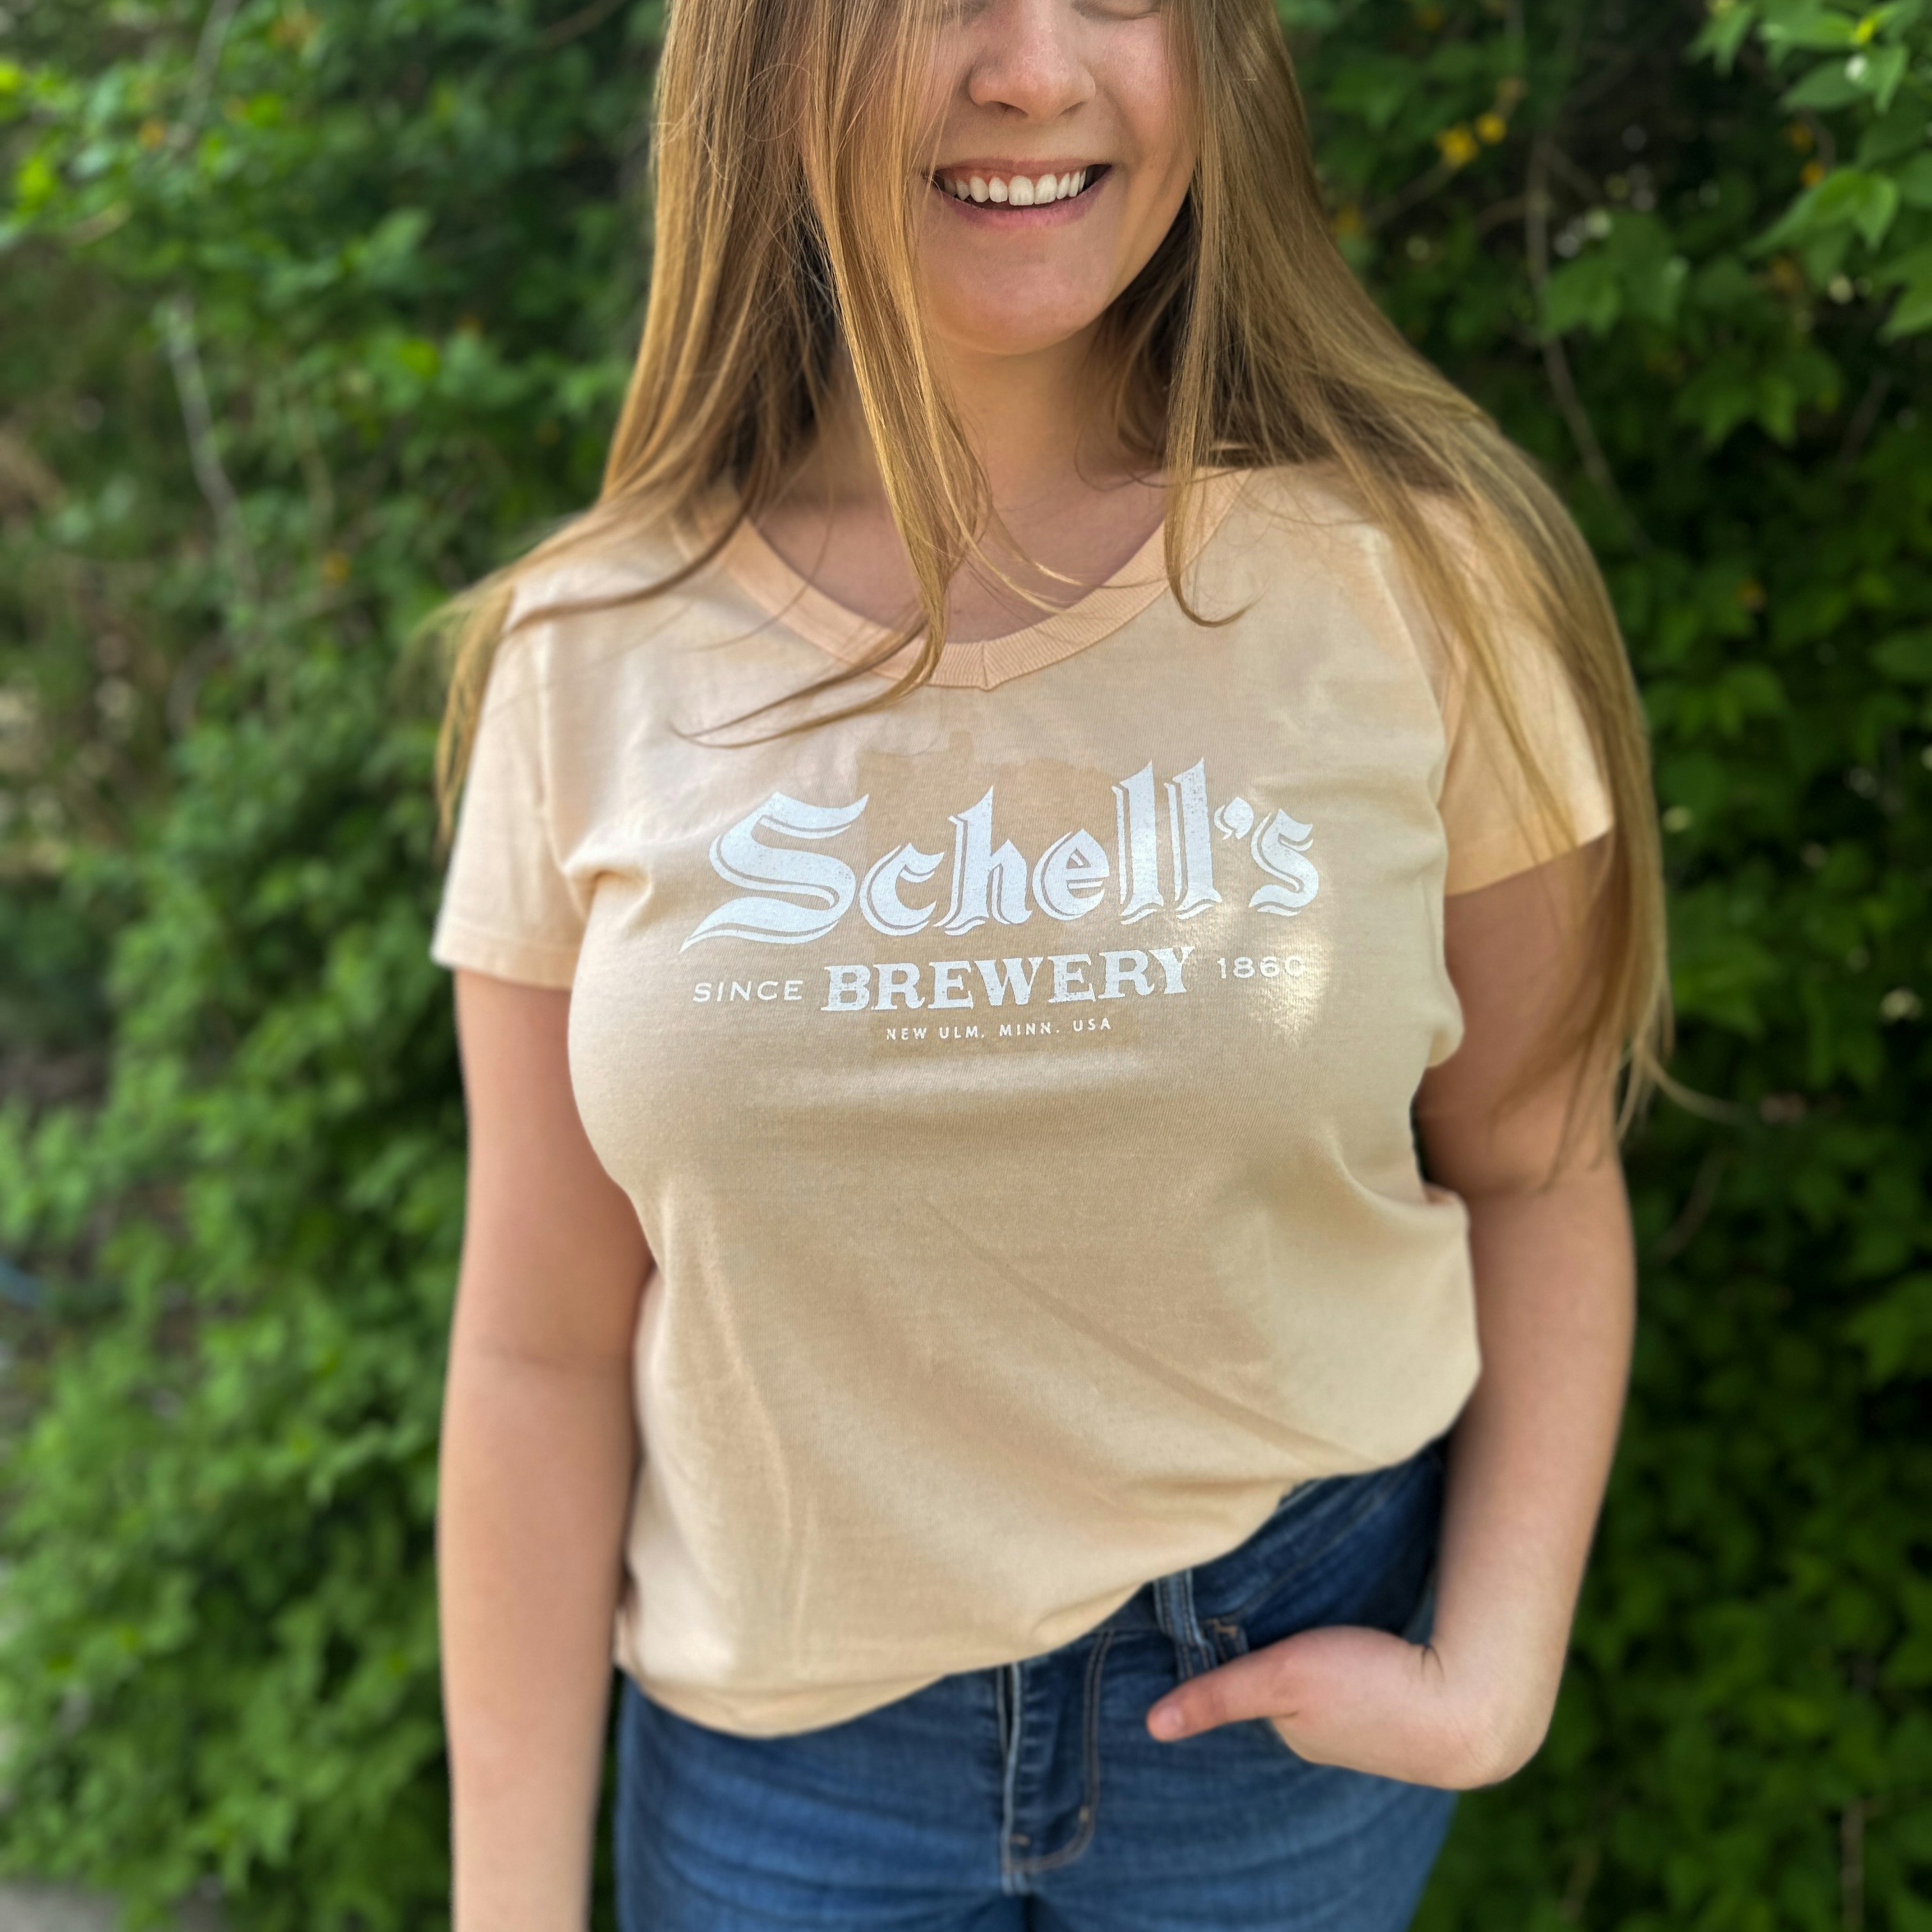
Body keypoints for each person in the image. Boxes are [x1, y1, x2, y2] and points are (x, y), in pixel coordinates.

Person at [424, 0, 1671, 1926]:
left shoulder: (1416, 581)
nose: (1030, 68)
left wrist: (1496, 1672)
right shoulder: (593, 647)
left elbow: (1537, 1159)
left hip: (1275, 1706)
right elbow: (539, 1342)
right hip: (785, 1768)